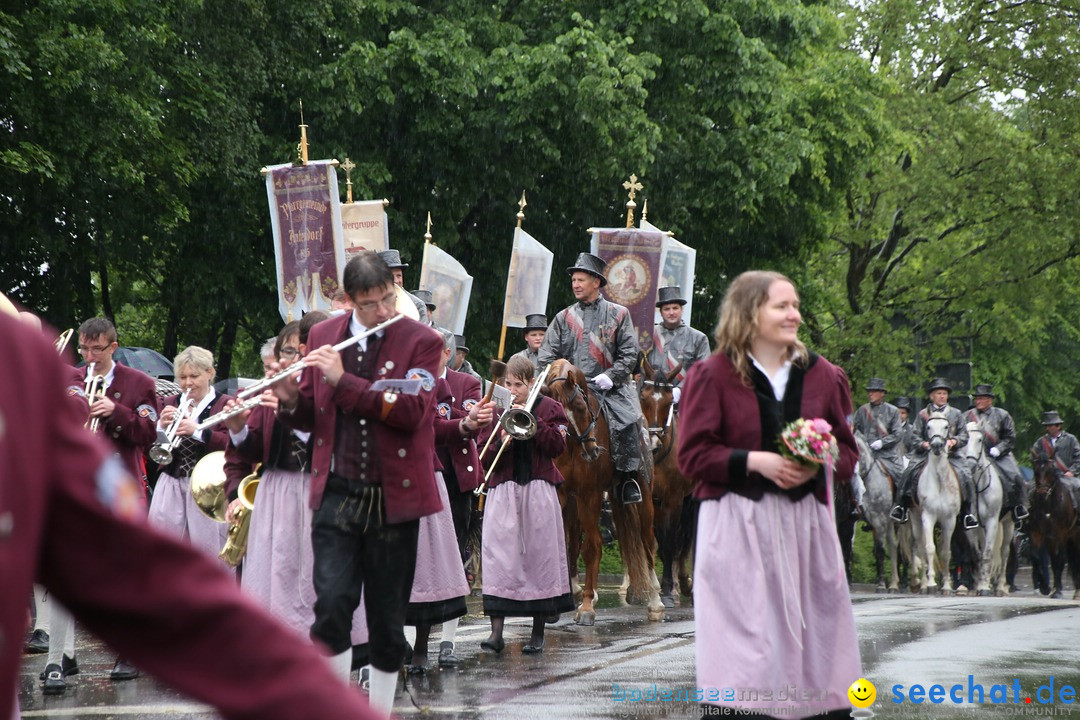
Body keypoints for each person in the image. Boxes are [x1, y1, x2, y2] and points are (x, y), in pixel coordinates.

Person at [0, 309, 385, 720]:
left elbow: (147, 576)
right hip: (189, 488)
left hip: (280, 499)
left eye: (193, 376)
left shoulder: (18, 360)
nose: (186, 383)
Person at [676, 270, 860, 719]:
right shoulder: (712, 375)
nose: (794, 314)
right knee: (748, 642)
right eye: (782, 306)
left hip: (806, 530)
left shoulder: (824, 376)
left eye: (795, 305)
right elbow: (693, 456)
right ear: (749, 313)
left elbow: (849, 454)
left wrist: (817, 464)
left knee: (816, 631)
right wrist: (755, 462)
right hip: (737, 525)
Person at [272, 251, 444, 719]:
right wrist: (288, 399)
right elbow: (311, 412)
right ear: (348, 301)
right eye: (371, 304)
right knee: (331, 607)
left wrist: (342, 379)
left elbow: (411, 412)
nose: (384, 311)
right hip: (337, 494)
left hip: (395, 498)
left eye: (389, 298)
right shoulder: (324, 336)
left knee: (388, 621)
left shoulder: (423, 341)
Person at [45, 316, 160, 689]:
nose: (89, 356)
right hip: (78, 486)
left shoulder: (139, 383)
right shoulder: (69, 380)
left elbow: (148, 433)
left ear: (113, 347)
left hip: (120, 487)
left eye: (97, 348)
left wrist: (117, 412)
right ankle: (58, 658)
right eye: (84, 348)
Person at [406, 327, 493, 674]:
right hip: (404, 472)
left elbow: (445, 424)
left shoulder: (458, 382)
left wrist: (465, 421)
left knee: (446, 559)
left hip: (452, 477)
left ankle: (443, 642)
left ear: (447, 353)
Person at [222, 322, 317, 637]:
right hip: (275, 496)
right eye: (288, 350)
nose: (294, 356)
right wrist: (237, 428)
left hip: (316, 493)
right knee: (274, 577)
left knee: (310, 579)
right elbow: (253, 448)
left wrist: (291, 405)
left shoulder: (325, 387)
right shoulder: (267, 390)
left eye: (301, 349)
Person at [477, 355, 574, 654]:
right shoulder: (498, 409)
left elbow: (558, 446)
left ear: (531, 382)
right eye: (509, 384)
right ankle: (496, 633)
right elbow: (482, 451)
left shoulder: (550, 408)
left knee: (539, 557)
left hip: (537, 489)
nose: (513, 390)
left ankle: (537, 632)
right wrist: (500, 439)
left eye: (518, 385)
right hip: (503, 489)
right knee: (498, 558)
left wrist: (536, 424)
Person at [538, 252, 646, 505]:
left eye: (581, 280)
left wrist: (612, 376)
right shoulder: (563, 317)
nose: (575, 284)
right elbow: (545, 356)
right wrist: (556, 381)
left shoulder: (619, 314)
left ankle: (627, 478)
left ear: (596, 282)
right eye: (574, 280)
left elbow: (630, 353)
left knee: (630, 421)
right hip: (568, 390)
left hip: (610, 388)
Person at [148, 346, 234, 562]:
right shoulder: (169, 403)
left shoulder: (224, 405)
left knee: (209, 549)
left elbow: (232, 444)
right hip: (171, 482)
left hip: (209, 487)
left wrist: (198, 431)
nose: (188, 383)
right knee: (163, 547)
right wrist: (160, 427)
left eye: (194, 376)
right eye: (183, 377)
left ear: (210, 373)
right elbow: (149, 446)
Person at [889, 379, 978, 529]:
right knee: (908, 472)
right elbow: (914, 435)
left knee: (966, 474)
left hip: (952, 456)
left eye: (944, 393)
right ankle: (901, 507)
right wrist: (923, 444)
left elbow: (964, 435)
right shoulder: (923, 414)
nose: (942, 396)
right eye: (938, 393)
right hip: (926, 454)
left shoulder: (956, 414)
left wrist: (953, 442)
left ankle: (967, 513)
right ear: (932, 396)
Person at [965, 384, 1028, 522]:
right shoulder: (967, 416)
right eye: (976, 398)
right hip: (973, 455)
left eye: (981, 398)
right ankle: (965, 512)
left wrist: (999, 449)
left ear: (990, 400)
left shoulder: (1002, 414)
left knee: (1016, 477)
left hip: (999, 455)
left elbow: (1010, 437)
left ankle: (1018, 507)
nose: (978, 401)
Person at [647, 286, 710, 402]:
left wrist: (681, 389)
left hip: (687, 400)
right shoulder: (648, 334)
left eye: (675, 308)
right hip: (651, 401)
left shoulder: (699, 338)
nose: (671, 313)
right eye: (666, 309)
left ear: (682, 310)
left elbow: (704, 371)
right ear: (660, 312)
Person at [853, 378, 905, 488]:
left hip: (887, 455)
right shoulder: (862, 410)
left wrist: (882, 442)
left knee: (901, 477)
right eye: (869, 391)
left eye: (874, 391)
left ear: (882, 394)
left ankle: (900, 503)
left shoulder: (893, 411)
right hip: (865, 454)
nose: (870, 394)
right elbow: (852, 429)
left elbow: (898, 434)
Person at [1032, 411, 1080, 504]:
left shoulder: (1071, 439)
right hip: (1046, 477)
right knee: (1029, 489)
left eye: (1050, 426)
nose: (1047, 428)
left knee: (1078, 488)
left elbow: (1079, 458)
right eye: (1047, 426)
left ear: (1058, 426)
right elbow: (1034, 459)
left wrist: (1072, 471)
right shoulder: (1040, 442)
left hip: (1066, 476)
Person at [376, 248, 431, 324]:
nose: (396, 280)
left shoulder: (417, 305)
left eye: (399, 276)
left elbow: (424, 333)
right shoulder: (372, 303)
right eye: (390, 276)